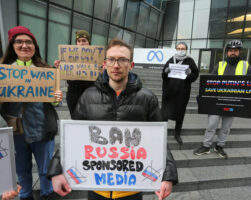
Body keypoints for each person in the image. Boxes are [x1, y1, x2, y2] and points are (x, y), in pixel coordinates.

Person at [47, 38, 178, 200]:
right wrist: (56, 169)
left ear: (131, 65)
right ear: (104, 64)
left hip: (131, 189)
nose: (116, 65)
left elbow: (160, 140)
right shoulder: (88, 96)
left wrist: (169, 174)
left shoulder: (147, 98)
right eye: (111, 59)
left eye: (122, 60)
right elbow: (73, 137)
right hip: (97, 188)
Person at [0, 26, 63, 200]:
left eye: (29, 42)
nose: (24, 45)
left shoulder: (46, 70)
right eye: (19, 41)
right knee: (21, 170)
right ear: (12, 45)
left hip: (42, 129)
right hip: (14, 132)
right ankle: (25, 196)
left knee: (45, 170)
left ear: (35, 46)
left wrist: (56, 98)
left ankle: (47, 194)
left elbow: (55, 102)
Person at [193, 40, 251, 159]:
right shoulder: (220, 65)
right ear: (227, 52)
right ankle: (206, 146)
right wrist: (202, 95)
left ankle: (219, 146)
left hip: (233, 101)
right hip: (217, 101)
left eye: (235, 51)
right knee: (212, 124)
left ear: (239, 52)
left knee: (226, 127)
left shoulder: (246, 66)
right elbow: (210, 82)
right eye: (231, 50)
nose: (233, 53)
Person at [161, 42, 199, 144]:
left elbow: (195, 75)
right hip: (169, 93)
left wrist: (190, 74)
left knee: (180, 114)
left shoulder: (190, 61)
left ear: (186, 50)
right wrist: (165, 72)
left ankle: (177, 133)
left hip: (182, 94)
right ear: (176, 49)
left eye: (183, 48)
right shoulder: (171, 59)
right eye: (178, 48)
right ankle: (162, 132)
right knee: (164, 114)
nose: (180, 50)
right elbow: (163, 75)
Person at [54, 30, 94, 116]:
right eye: (79, 41)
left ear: (89, 42)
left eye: (84, 40)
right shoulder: (69, 56)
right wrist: (58, 67)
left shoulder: (95, 57)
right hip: (73, 93)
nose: (81, 43)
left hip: (90, 93)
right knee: (75, 118)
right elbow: (61, 73)